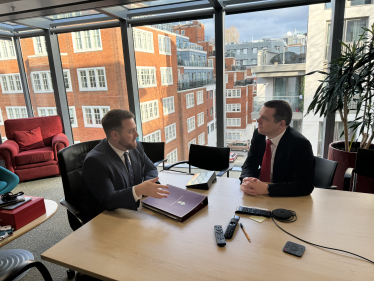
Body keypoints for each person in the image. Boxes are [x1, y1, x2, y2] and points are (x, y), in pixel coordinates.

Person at [81, 109, 170, 223]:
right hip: (107, 219)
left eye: (135, 129)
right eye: (131, 131)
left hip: (133, 210)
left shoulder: (135, 147)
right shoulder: (95, 161)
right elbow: (108, 200)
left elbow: (150, 168)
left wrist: (147, 187)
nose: (137, 135)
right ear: (115, 135)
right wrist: (138, 190)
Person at [240, 100, 314, 197]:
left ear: (281, 124)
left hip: (285, 198)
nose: (258, 120)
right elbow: (250, 162)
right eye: (259, 115)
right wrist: (247, 180)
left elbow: (305, 185)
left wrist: (267, 189)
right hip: (258, 194)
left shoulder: (300, 144)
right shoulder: (258, 135)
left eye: (264, 118)